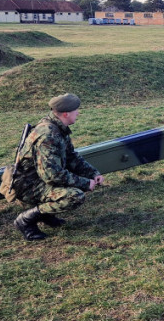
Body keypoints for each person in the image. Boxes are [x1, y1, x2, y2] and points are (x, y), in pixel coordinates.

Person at [11, 93, 105, 241]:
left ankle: (47, 215)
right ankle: (25, 220)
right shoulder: (48, 135)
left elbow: (71, 157)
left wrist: (93, 174)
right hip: (28, 185)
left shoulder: (57, 127)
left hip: (37, 178)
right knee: (75, 196)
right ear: (66, 114)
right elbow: (51, 175)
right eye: (76, 110)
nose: (78, 113)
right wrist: (85, 183)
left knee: (72, 183)